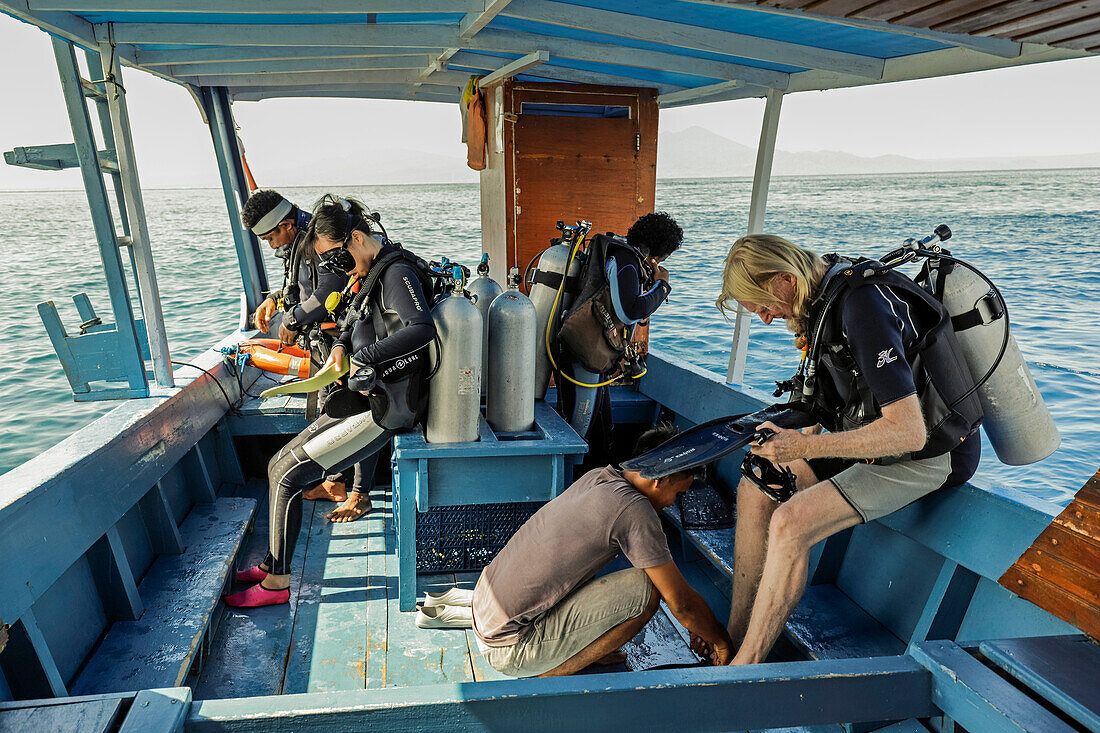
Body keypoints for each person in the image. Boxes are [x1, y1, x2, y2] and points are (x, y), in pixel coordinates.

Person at [711, 234, 981, 665]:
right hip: (874, 438)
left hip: (930, 452)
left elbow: (909, 432)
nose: (764, 319)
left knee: (790, 523)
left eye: (763, 307)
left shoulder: (862, 307)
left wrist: (805, 448)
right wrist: (779, 433)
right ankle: (734, 637)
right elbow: (831, 395)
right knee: (757, 485)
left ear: (785, 279)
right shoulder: (824, 298)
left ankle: (745, 668)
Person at [225, 195, 436, 608]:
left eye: (336, 259)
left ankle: (276, 585)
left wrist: (365, 357)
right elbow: (353, 319)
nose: (335, 272)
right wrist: (341, 346)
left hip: (384, 409)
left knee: (288, 477)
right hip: (359, 396)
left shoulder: (395, 273)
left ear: (356, 238)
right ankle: (272, 564)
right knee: (276, 466)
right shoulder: (369, 271)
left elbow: (422, 328)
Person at [471, 425, 733, 677]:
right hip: (510, 647)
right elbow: (682, 604)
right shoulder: (634, 510)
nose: (672, 503)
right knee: (649, 592)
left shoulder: (599, 477)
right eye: (677, 493)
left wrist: (697, 625)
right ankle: (551, 672)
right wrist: (719, 638)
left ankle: (579, 650)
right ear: (661, 480)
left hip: (483, 612)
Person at [240, 190, 358, 507]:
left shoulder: (321, 238)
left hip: (342, 341)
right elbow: (300, 285)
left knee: (349, 411)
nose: (270, 244)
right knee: (330, 407)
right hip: (325, 342)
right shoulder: (298, 242)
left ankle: (355, 491)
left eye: (269, 237)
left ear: (288, 224)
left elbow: (328, 291)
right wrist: (273, 300)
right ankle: (335, 481)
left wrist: (291, 320)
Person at [557, 212, 682, 465]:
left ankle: (594, 480)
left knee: (601, 428)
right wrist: (662, 286)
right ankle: (570, 483)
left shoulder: (625, 255)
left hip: (593, 351)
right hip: (584, 353)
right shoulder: (625, 259)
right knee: (582, 425)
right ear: (660, 251)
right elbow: (630, 310)